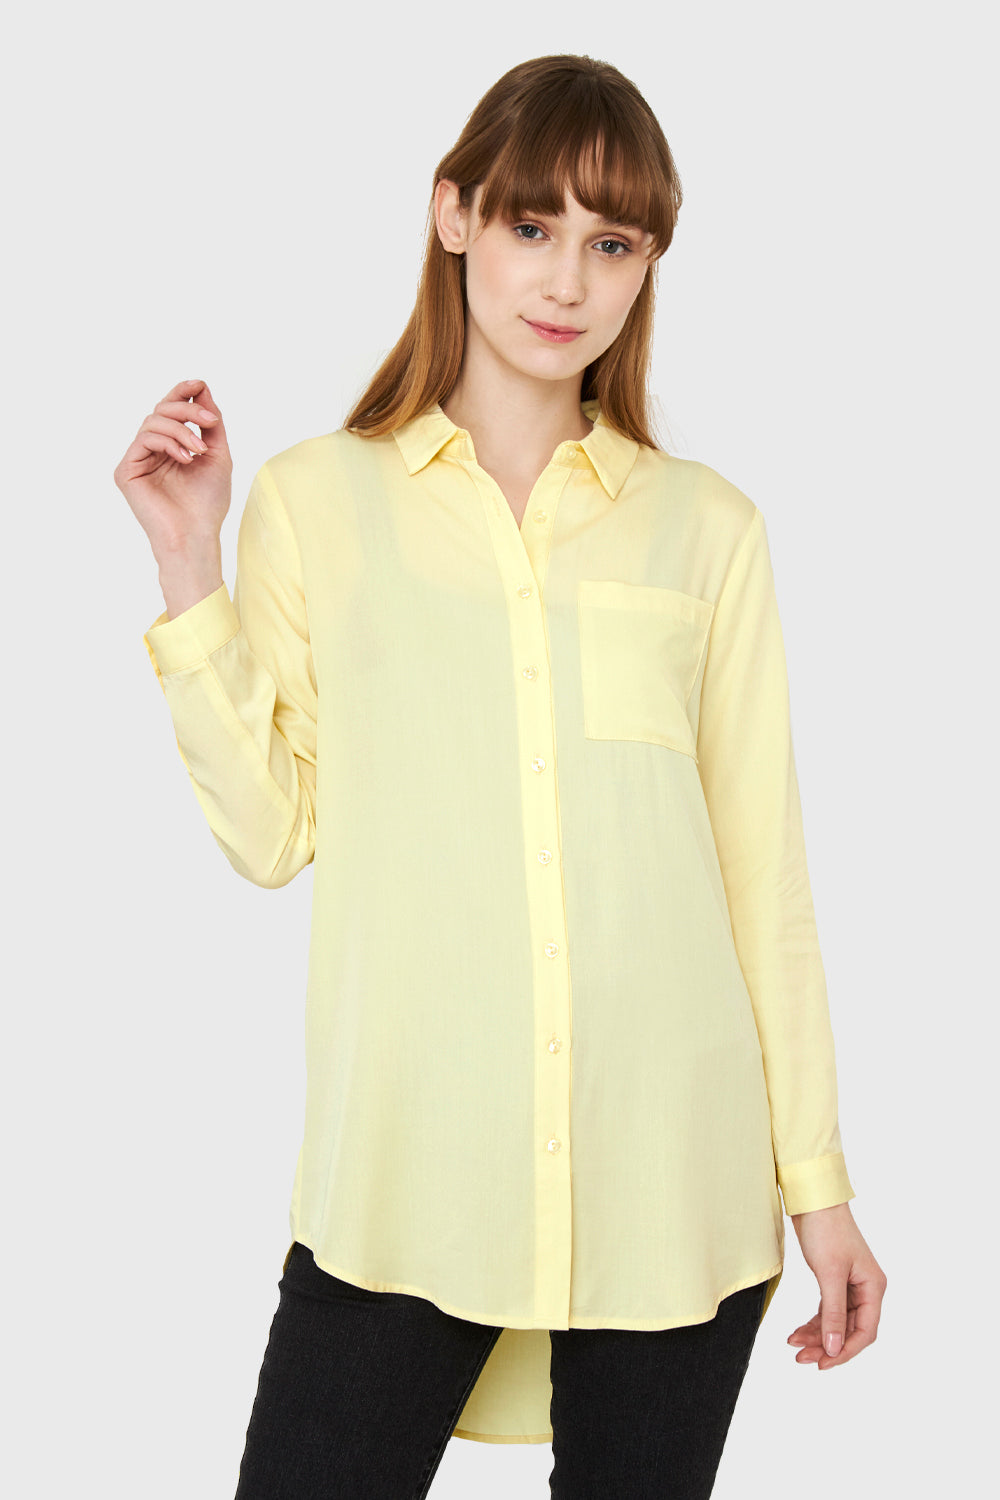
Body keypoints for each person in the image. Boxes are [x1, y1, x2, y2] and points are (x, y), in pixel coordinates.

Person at [115, 51, 887, 1500]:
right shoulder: (314, 501)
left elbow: (762, 879)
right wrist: (186, 565)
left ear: (648, 265)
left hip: (674, 1185)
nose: (568, 280)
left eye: (614, 243)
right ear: (454, 213)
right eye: (534, 225)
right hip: (408, 1181)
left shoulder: (709, 532)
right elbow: (274, 834)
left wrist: (821, 1190)